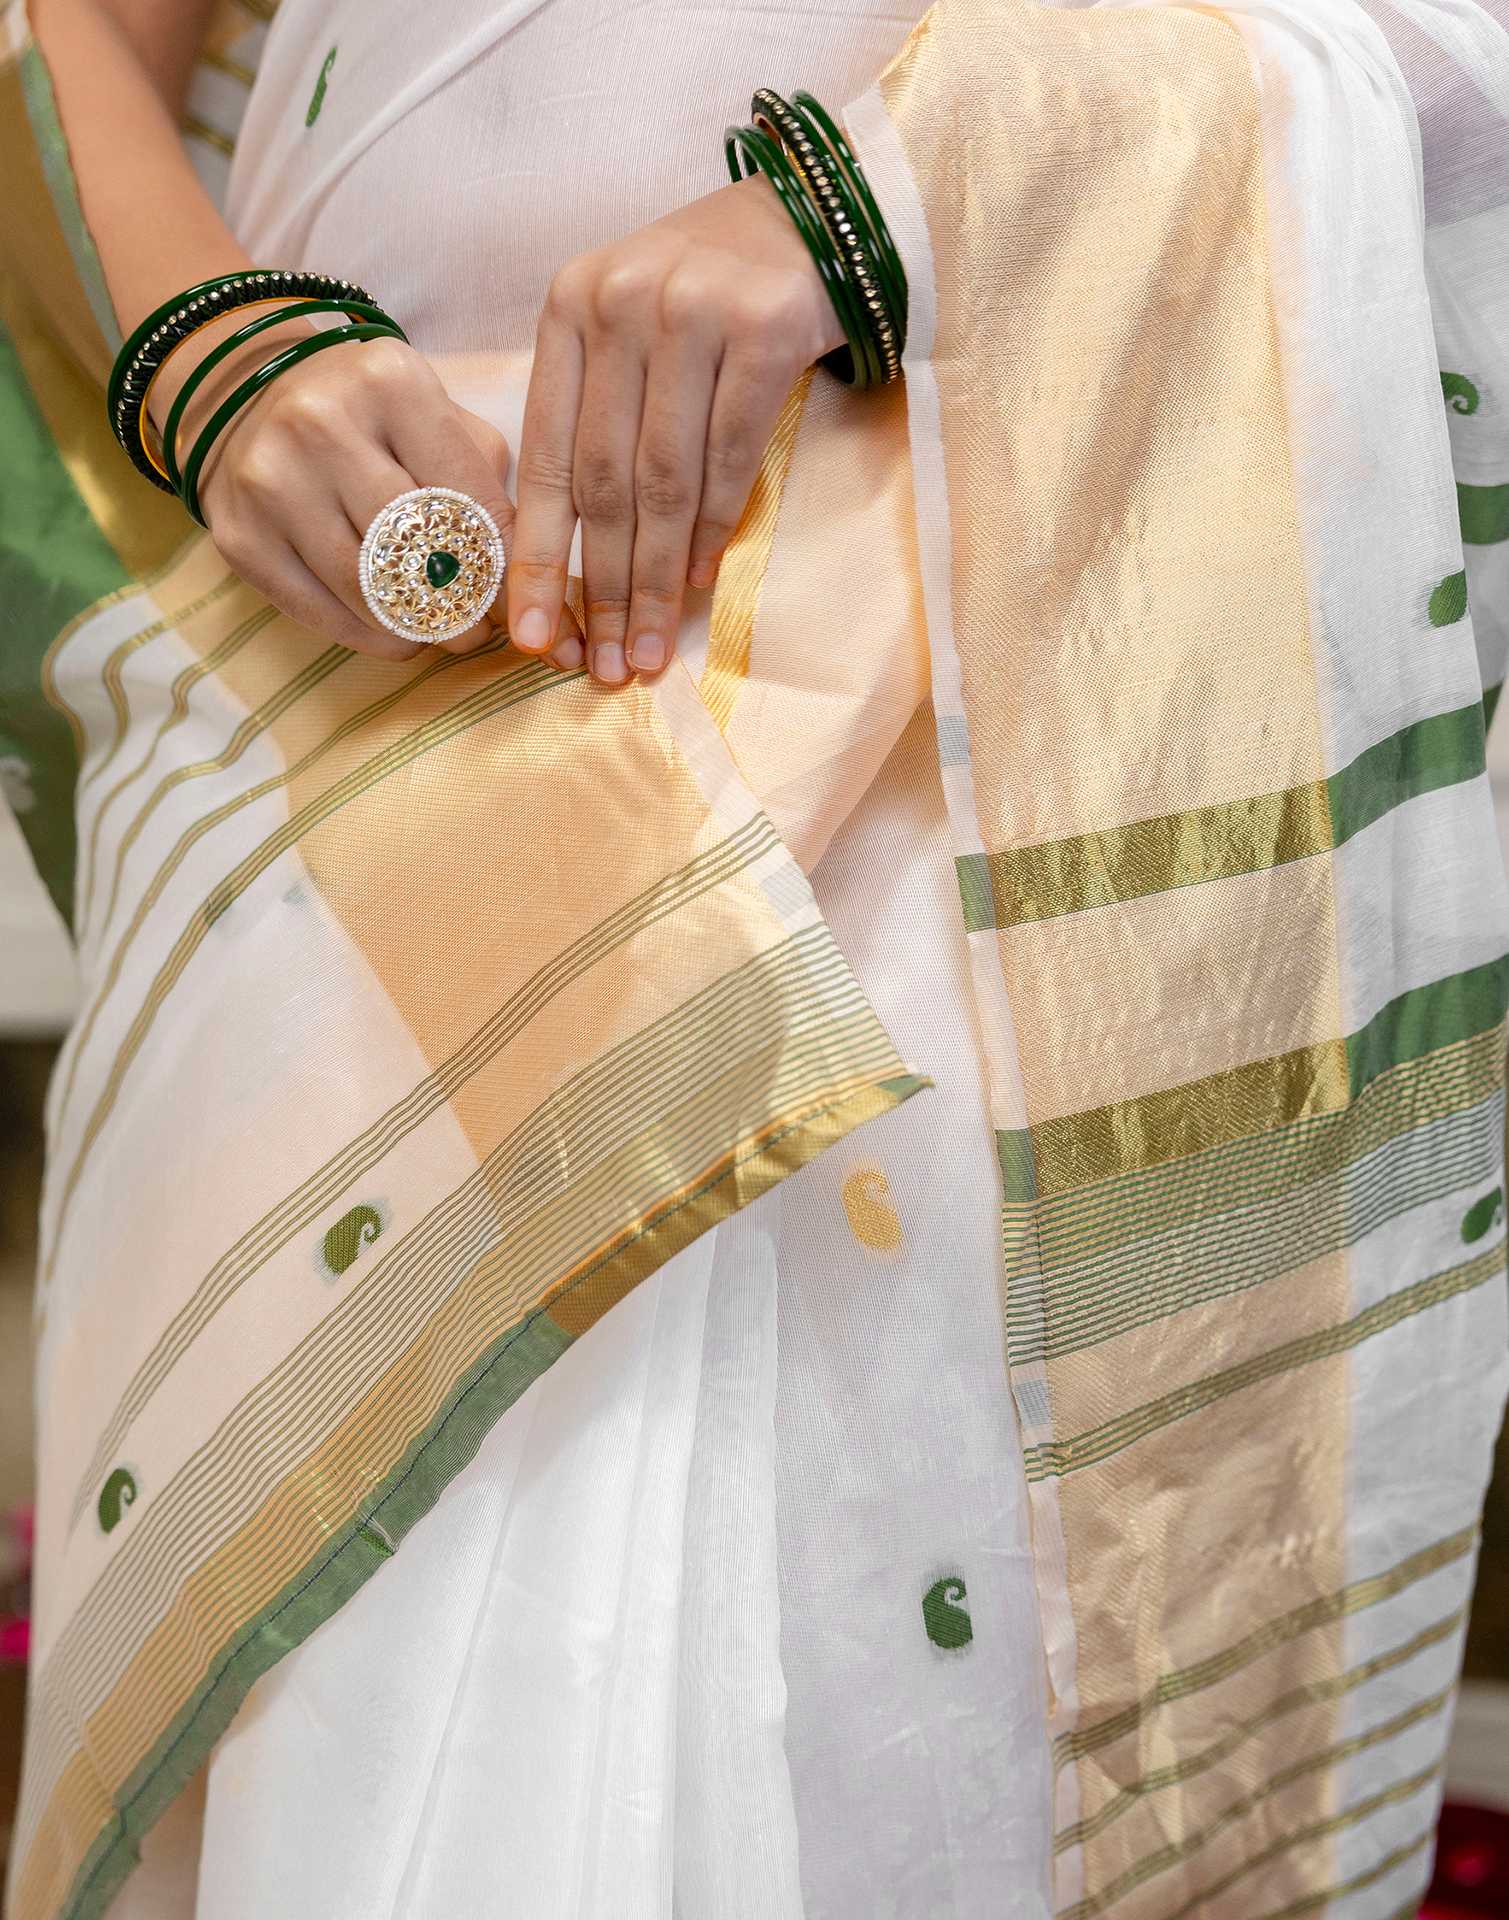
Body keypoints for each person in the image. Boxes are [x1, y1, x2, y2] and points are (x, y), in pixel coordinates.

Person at [2, 0, 1507, 1912]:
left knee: (920, 1661)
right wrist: (212, 350)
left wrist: (873, 198)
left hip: (995, 701)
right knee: (353, 1696)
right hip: (350, 685)